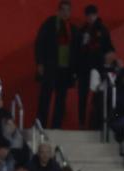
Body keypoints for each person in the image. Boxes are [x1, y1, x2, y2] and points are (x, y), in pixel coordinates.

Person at [34, 0, 77, 130]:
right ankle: (41, 125)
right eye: (63, 10)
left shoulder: (73, 28)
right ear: (58, 11)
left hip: (65, 69)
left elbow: (76, 50)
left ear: (70, 12)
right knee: (45, 96)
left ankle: (56, 126)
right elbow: (39, 43)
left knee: (61, 99)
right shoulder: (50, 24)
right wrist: (40, 62)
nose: (65, 12)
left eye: (67, 10)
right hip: (50, 66)